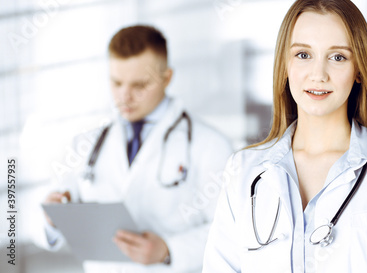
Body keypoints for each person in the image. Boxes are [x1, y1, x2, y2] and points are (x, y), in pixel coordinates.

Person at [202, 0, 367, 272]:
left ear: (358, 70)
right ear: (284, 65)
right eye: (303, 55)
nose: (318, 74)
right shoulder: (243, 171)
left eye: (337, 57)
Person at [33, 25, 233, 273]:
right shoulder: (88, 143)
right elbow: (43, 228)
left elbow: (231, 234)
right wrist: (52, 219)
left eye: (139, 85)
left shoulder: (209, 146)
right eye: (116, 83)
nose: (124, 97)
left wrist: (169, 250)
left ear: (166, 77)